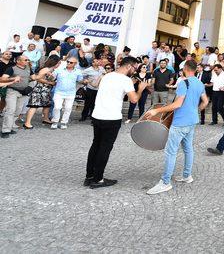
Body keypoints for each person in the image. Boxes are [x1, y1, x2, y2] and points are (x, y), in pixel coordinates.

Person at [146, 60, 208, 195]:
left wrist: (157, 111)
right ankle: (187, 176)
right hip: (192, 121)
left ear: (185, 68)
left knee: (171, 152)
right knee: (188, 149)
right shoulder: (200, 83)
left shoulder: (183, 83)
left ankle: (165, 182)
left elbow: (177, 104)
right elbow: (206, 101)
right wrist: (196, 110)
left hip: (180, 122)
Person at [85, 57, 148, 188]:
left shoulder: (107, 75)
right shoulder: (126, 80)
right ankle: (98, 179)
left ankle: (89, 176)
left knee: (95, 145)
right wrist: (141, 88)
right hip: (111, 118)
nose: (135, 70)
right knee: (105, 148)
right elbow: (134, 100)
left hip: (97, 115)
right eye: (135, 68)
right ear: (129, 66)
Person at [24, 56, 61, 129]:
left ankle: (46, 119)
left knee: (47, 105)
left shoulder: (52, 69)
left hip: (46, 90)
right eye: (58, 63)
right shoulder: (45, 69)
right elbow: (37, 78)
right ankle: (27, 123)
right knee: (34, 106)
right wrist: (50, 82)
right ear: (54, 62)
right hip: (39, 89)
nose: (59, 64)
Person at [50, 57, 84, 129]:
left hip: (71, 93)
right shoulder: (59, 69)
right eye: (68, 61)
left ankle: (64, 122)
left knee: (68, 108)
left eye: (71, 62)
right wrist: (50, 76)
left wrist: (84, 81)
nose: (68, 63)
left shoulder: (78, 71)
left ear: (75, 64)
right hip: (59, 92)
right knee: (57, 107)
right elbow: (52, 78)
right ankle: (55, 121)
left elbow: (80, 80)